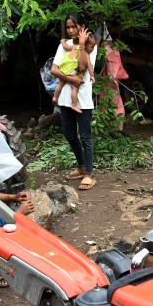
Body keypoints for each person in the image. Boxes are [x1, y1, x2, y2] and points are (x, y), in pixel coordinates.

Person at [50, 13, 98, 190]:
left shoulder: (91, 44)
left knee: (85, 136)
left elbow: (84, 67)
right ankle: (81, 167)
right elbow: (54, 69)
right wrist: (70, 79)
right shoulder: (64, 45)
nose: (70, 30)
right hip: (65, 98)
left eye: (74, 26)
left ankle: (89, 174)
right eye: (68, 27)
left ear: (82, 26)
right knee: (70, 134)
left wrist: (82, 45)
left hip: (82, 98)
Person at [51, 25, 97, 113]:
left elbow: (65, 47)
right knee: (75, 89)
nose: (93, 48)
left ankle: (55, 97)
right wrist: (92, 76)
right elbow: (86, 67)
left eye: (73, 27)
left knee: (60, 84)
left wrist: (63, 41)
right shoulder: (85, 53)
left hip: (65, 68)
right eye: (91, 46)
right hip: (73, 72)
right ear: (86, 44)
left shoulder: (74, 46)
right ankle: (74, 104)